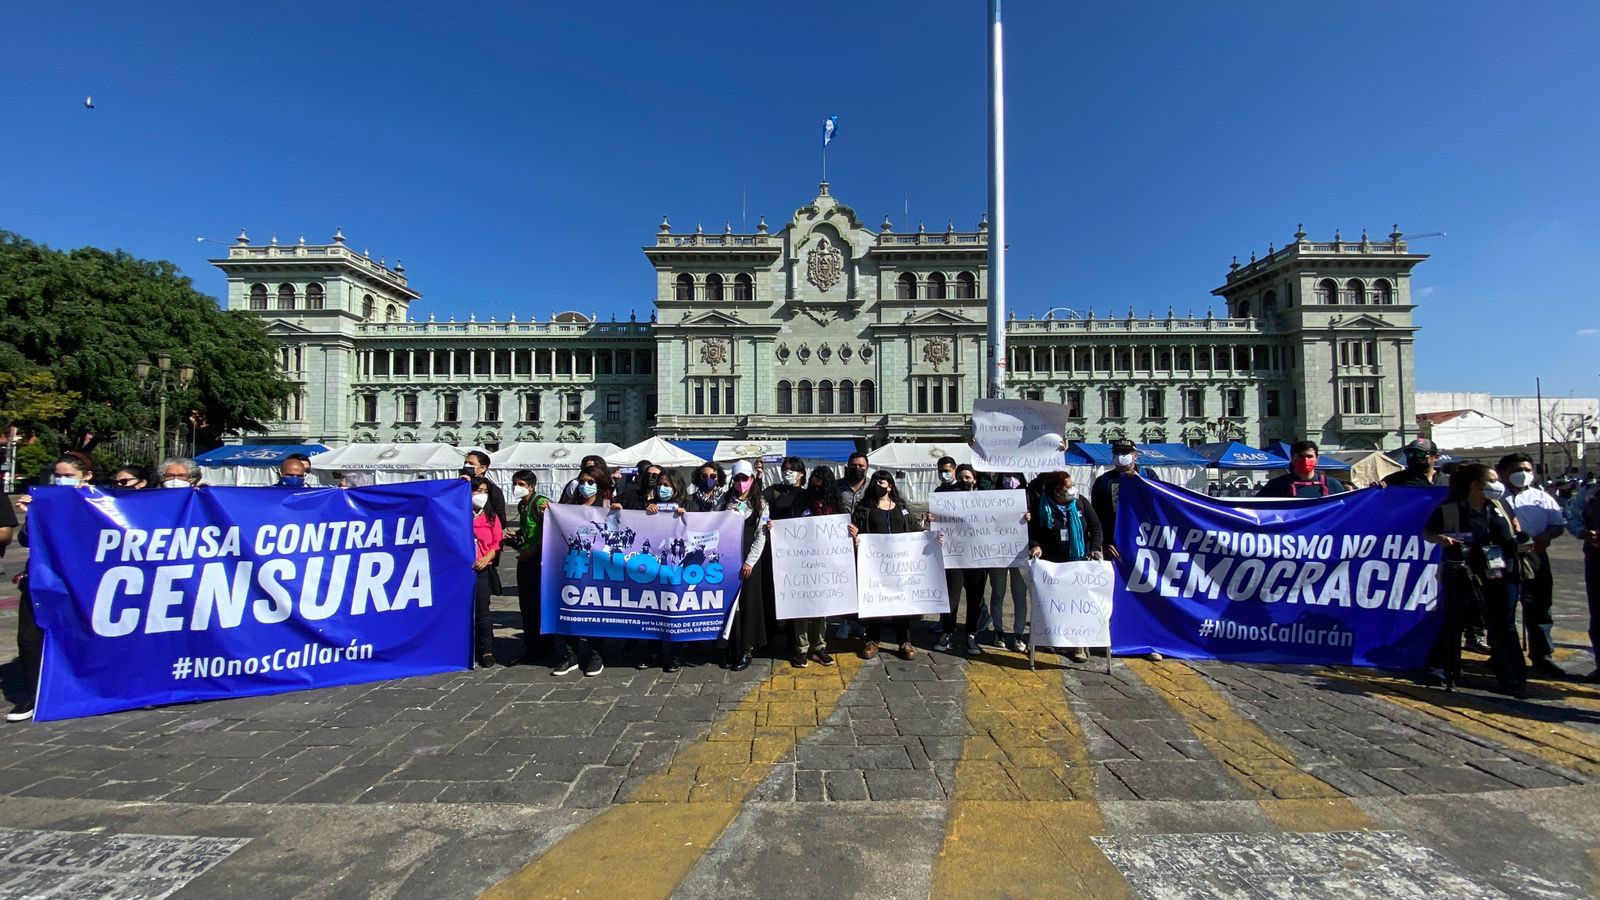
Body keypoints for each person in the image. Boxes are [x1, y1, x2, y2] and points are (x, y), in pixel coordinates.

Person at [1421, 464, 1528, 697]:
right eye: (1491, 479)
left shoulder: (1500, 505)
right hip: (1463, 572)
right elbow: (1428, 533)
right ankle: (1444, 670)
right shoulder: (1451, 509)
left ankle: (1513, 676)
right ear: (1475, 485)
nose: (1497, 484)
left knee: (1504, 625)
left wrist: (1520, 536)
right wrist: (1442, 539)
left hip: (1501, 572)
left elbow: (1515, 531)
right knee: (1455, 621)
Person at [9, 456, 96, 722]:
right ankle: (34, 695)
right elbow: (26, 540)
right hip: (44, 581)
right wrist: (34, 516)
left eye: (67, 474)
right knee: (29, 638)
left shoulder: (100, 502)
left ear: (86, 476)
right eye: (57, 475)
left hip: (84, 583)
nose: (60, 479)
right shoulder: (46, 502)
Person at [1497, 453, 1566, 677]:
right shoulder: (1495, 497)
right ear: (1504, 473)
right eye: (1517, 470)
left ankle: (1542, 655)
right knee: (1502, 608)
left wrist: (1547, 535)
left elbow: (1557, 525)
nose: (1523, 474)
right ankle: (1502, 655)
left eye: (1527, 470)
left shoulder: (1541, 497)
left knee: (1539, 606)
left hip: (1534, 556)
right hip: (1502, 557)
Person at [849, 470, 928, 661]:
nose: (878, 484)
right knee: (875, 601)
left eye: (882, 482)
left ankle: (904, 641)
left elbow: (915, 530)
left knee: (901, 602)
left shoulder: (902, 507)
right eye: (875, 481)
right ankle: (872, 640)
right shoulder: (864, 508)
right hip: (874, 565)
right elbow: (856, 530)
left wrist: (930, 536)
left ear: (890, 485)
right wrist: (854, 535)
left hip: (900, 563)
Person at [1028, 471, 1104, 663]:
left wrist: (1095, 548)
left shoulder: (1080, 503)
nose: (1072, 489)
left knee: (1078, 603)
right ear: (1056, 490)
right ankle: (1053, 637)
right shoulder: (1041, 505)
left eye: (1072, 485)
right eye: (1067, 487)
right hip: (1053, 564)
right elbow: (1033, 530)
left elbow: (1095, 527)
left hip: (1079, 560)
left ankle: (1079, 645)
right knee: (1055, 603)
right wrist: (1035, 545)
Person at [781, 466, 839, 669]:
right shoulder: (802, 500)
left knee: (821, 608)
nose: (817, 483)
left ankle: (819, 646)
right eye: (814, 479)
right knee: (802, 607)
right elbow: (789, 526)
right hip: (802, 561)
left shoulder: (834, 503)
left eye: (821, 480)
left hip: (825, 563)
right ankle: (801, 649)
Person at [553, 465, 608, 676]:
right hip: (573, 565)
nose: (585, 486)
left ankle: (596, 656)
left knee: (594, 611)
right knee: (569, 608)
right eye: (583, 481)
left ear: (600, 484)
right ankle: (570, 656)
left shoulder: (607, 505)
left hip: (599, 568)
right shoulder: (569, 506)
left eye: (591, 482)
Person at [932, 460, 988, 656]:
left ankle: (971, 634)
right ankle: (947, 631)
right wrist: (933, 520)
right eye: (962, 477)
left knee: (975, 599)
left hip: (978, 557)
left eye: (968, 477)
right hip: (954, 556)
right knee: (951, 597)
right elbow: (939, 519)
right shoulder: (944, 494)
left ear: (974, 479)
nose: (965, 481)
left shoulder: (986, 498)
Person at [718, 460, 769, 672]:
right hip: (728, 559)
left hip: (749, 560)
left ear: (751, 479)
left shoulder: (760, 503)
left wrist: (750, 561)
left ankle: (747, 648)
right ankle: (730, 645)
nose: (741, 483)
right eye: (737, 479)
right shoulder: (724, 501)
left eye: (744, 479)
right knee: (729, 604)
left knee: (749, 603)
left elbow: (761, 535)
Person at [978, 465, 1030, 652]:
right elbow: (983, 484)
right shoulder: (992, 496)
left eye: (1014, 476)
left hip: (1019, 552)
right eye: (1006, 476)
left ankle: (1018, 634)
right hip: (998, 552)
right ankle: (998, 630)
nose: (1011, 481)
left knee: (1020, 595)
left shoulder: (1027, 496)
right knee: (998, 592)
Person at [509, 469, 552, 666]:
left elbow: (549, 528)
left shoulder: (539, 503)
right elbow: (529, 529)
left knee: (536, 604)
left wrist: (534, 549)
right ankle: (532, 644)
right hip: (525, 557)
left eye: (521, 485)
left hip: (537, 559)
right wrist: (516, 535)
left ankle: (540, 646)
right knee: (526, 604)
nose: (516, 488)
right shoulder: (522, 505)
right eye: (515, 484)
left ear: (532, 487)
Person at [1090, 439, 1156, 560]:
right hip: (1115, 542)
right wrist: (1104, 542)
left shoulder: (1148, 475)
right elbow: (1097, 517)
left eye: (1124, 453)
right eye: (1117, 453)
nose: (1120, 456)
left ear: (1134, 456)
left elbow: (1157, 502)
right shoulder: (1103, 481)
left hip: (1145, 539)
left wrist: (1139, 480)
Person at [1567, 478, 1600, 682]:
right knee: (1598, 615)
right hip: (1596, 558)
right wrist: (1584, 532)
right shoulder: (1590, 492)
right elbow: (1572, 515)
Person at [468, 476, 503, 669]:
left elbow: (497, 541)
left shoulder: (490, 516)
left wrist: (486, 558)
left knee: (482, 611)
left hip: (482, 568)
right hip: (460, 570)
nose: (480, 495)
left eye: (484, 491)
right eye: (476, 490)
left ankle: (486, 649)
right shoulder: (458, 513)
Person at [1257, 441, 1349, 498]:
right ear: (1292, 458)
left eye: (1309, 456)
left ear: (1317, 460)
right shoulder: (1276, 485)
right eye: (1300, 456)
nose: (1305, 460)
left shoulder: (1332, 485)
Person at [463, 450, 507, 523]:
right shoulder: (462, 485)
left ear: (482, 468)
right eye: (465, 463)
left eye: (471, 463)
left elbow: (501, 519)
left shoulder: (494, 490)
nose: (466, 466)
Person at [764, 456, 810, 521]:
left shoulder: (806, 494)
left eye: (792, 469)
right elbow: (758, 501)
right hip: (776, 529)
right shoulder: (775, 490)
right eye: (785, 469)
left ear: (801, 473)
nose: (787, 472)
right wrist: (766, 519)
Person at [838, 451, 871, 516]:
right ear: (848, 466)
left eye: (861, 466)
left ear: (867, 468)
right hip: (841, 524)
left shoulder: (872, 487)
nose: (857, 468)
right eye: (853, 465)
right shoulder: (837, 486)